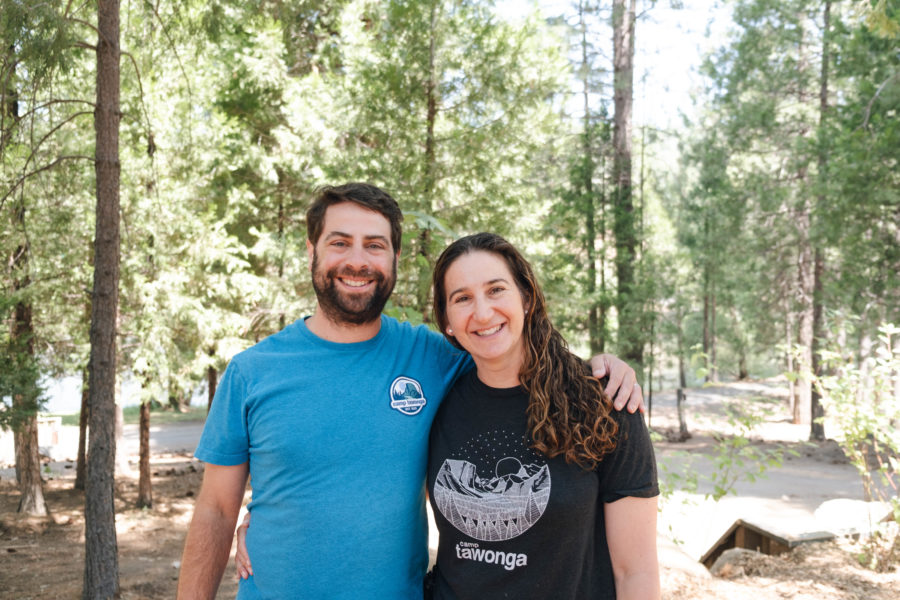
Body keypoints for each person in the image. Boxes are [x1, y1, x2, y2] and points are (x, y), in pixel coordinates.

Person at [177, 183, 644, 600]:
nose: (357, 261)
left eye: (374, 245)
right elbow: (216, 510)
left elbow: (508, 348)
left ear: (394, 258)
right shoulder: (252, 372)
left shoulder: (433, 357)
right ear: (311, 250)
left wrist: (601, 367)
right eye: (339, 242)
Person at [425, 232, 659, 599]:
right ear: (447, 321)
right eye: (462, 298)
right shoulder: (433, 402)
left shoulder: (603, 402)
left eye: (496, 290)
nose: (482, 313)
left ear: (527, 298)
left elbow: (636, 573)